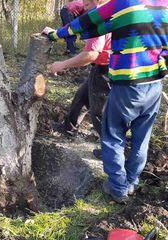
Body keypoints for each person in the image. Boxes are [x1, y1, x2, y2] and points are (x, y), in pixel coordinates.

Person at [43, 0, 167, 204]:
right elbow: (99, 28)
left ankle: (118, 188)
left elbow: (83, 23)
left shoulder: (122, 3)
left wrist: (54, 35)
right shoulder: (163, 5)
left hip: (127, 84)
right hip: (154, 85)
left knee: (113, 135)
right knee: (141, 138)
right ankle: (131, 182)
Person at [53, 0, 111, 138]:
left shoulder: (99, 18)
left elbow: (90, 55)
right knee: (81, 97)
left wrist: (62, 64)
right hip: (99, 66)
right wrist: (55, 33)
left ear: (98, 1)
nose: (84, 10)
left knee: (98, 113)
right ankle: (68, 128)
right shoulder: (108, 12)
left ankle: (111, 149)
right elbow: (75, 30)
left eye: (87, 5)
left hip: (106, 70)